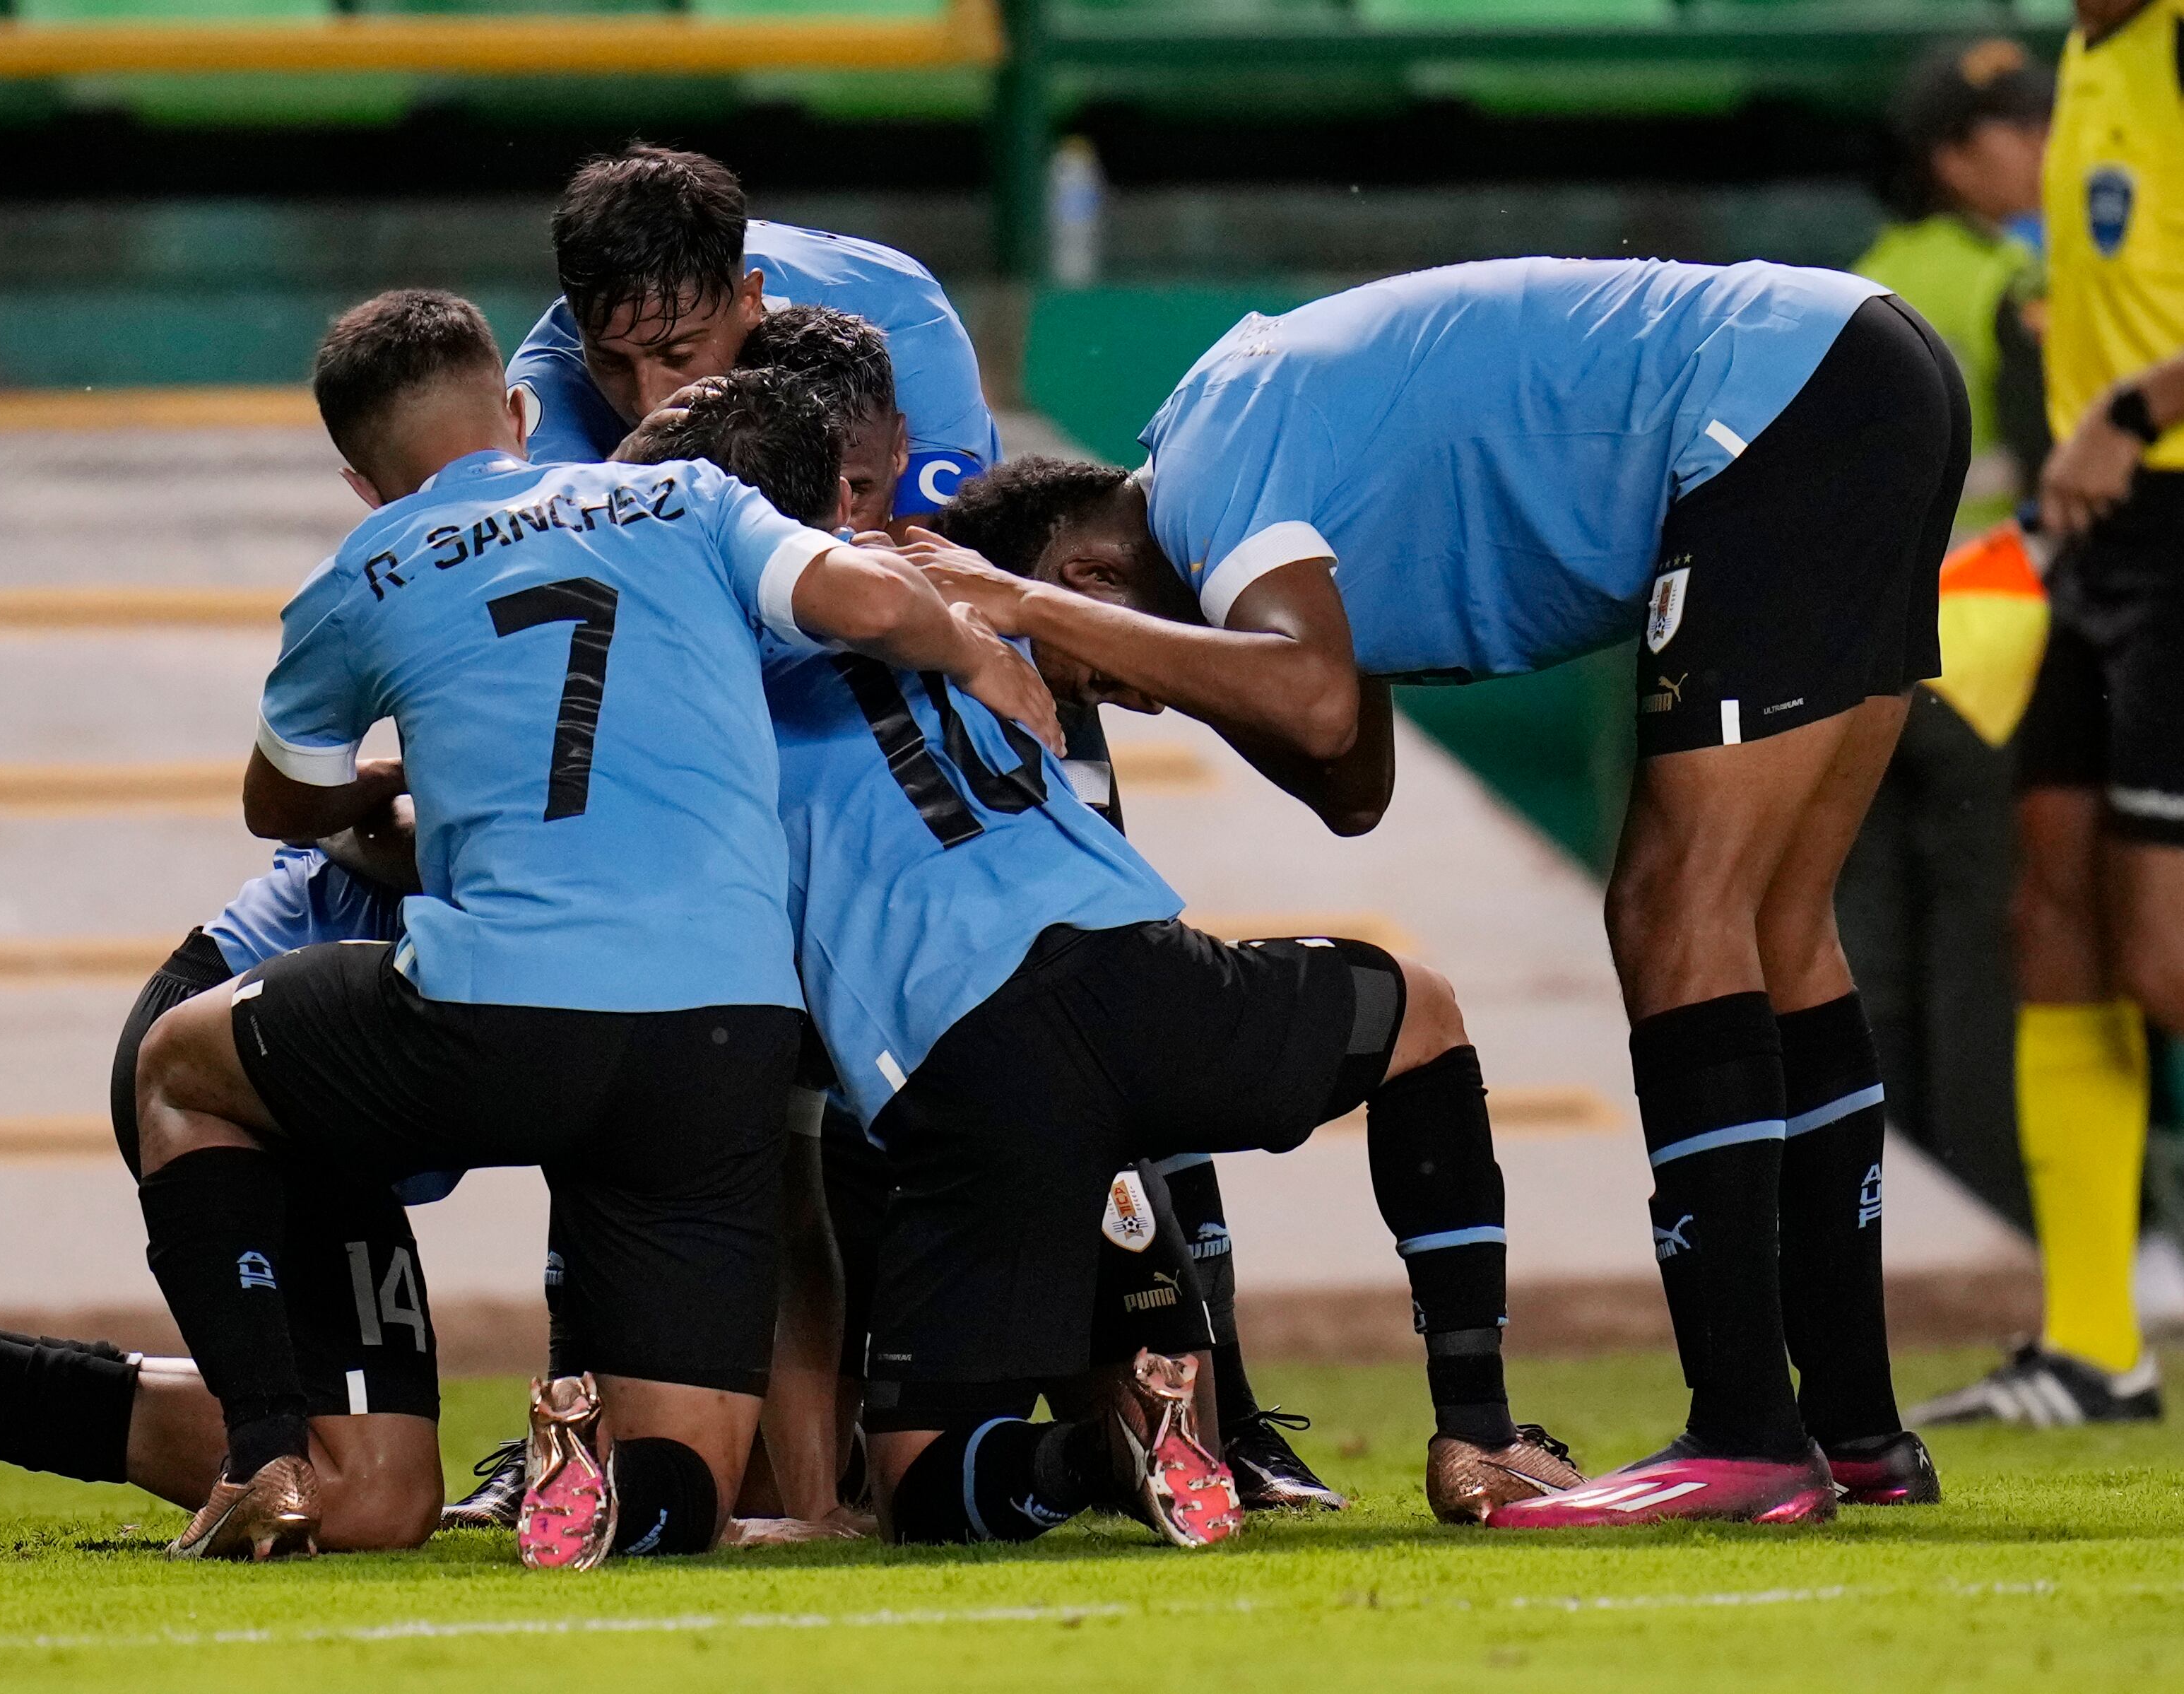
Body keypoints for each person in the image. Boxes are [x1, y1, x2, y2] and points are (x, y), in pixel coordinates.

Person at [927, 254, 1973, 1525]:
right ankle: (1857, 1430)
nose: (1130, 699)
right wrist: (1164, 653)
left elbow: (1315, 703)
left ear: (1087, 578)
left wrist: (1028, 614)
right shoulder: (1244, 459)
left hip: (1768, 406)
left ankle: (1748, 1432)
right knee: (1781, 919)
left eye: (1092, 670)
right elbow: (1351, 780)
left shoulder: (1206, 474)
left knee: (1669, 904)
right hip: (1855, 369)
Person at [126, 287, 1058, 1566]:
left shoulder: (366, 570)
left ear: (359, 480)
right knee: (680, 1497)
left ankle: (266, 1453)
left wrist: (390, 786)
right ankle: (617, 1478)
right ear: (517, 412)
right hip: (722, 1033)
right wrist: (978, 652)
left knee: (177, 1064)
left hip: (497, 1016)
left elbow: (277, 800)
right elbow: (872, 602)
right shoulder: (685, 498)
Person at [604, 373, 1579, 1544]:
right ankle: (1477, 1429)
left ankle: (1098, 1454)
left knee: (920, 1480)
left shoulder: (687, 671)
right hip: (1136, 971)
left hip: (960, 1057)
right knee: (1419, 1012)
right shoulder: (939, 589)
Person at [732, 304, 1343, 1513]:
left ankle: (1196, 1433)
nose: (842, 514)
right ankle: (821, 1494)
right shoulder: (751, 619)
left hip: (994, 1043)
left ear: (900, 451)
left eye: (864, 484)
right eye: (821, 489)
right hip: (884, 1040)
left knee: (1115, 1112)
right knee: (803, 1192)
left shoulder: (974, 599)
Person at [0, 828, 447, 1560]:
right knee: (372, 1497)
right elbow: (304, 800)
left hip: (353, 1056)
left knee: (382, 1492)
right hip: (255, 1040)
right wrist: (426, 831)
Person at [1913, 0, 2184, 1428]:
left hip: (2173, 509)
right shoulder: (2087, 49)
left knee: (2164, 957)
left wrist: (2131, 412)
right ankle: (2093, 1346)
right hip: (2098, 539)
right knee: (2051, 915)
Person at [1836, 38, 2055, 1230]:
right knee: (1983, 949)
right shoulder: (2009, 285)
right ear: (1950, 160)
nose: (2041, 149)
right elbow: (2061, 472)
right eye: (2015, 129)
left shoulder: (1864, 280)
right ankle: (1987, 1212)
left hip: (1863, 658)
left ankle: (1886, 1212)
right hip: (1987, 660)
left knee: (1869, 947)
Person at [507, 144, 996, 522]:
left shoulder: (901, 316)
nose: (648, 400)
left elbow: (943, 561)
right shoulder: (548, 382)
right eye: (611, 362)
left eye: (679, 354)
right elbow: (552, 575)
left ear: (748, 301)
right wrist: (622, 479)